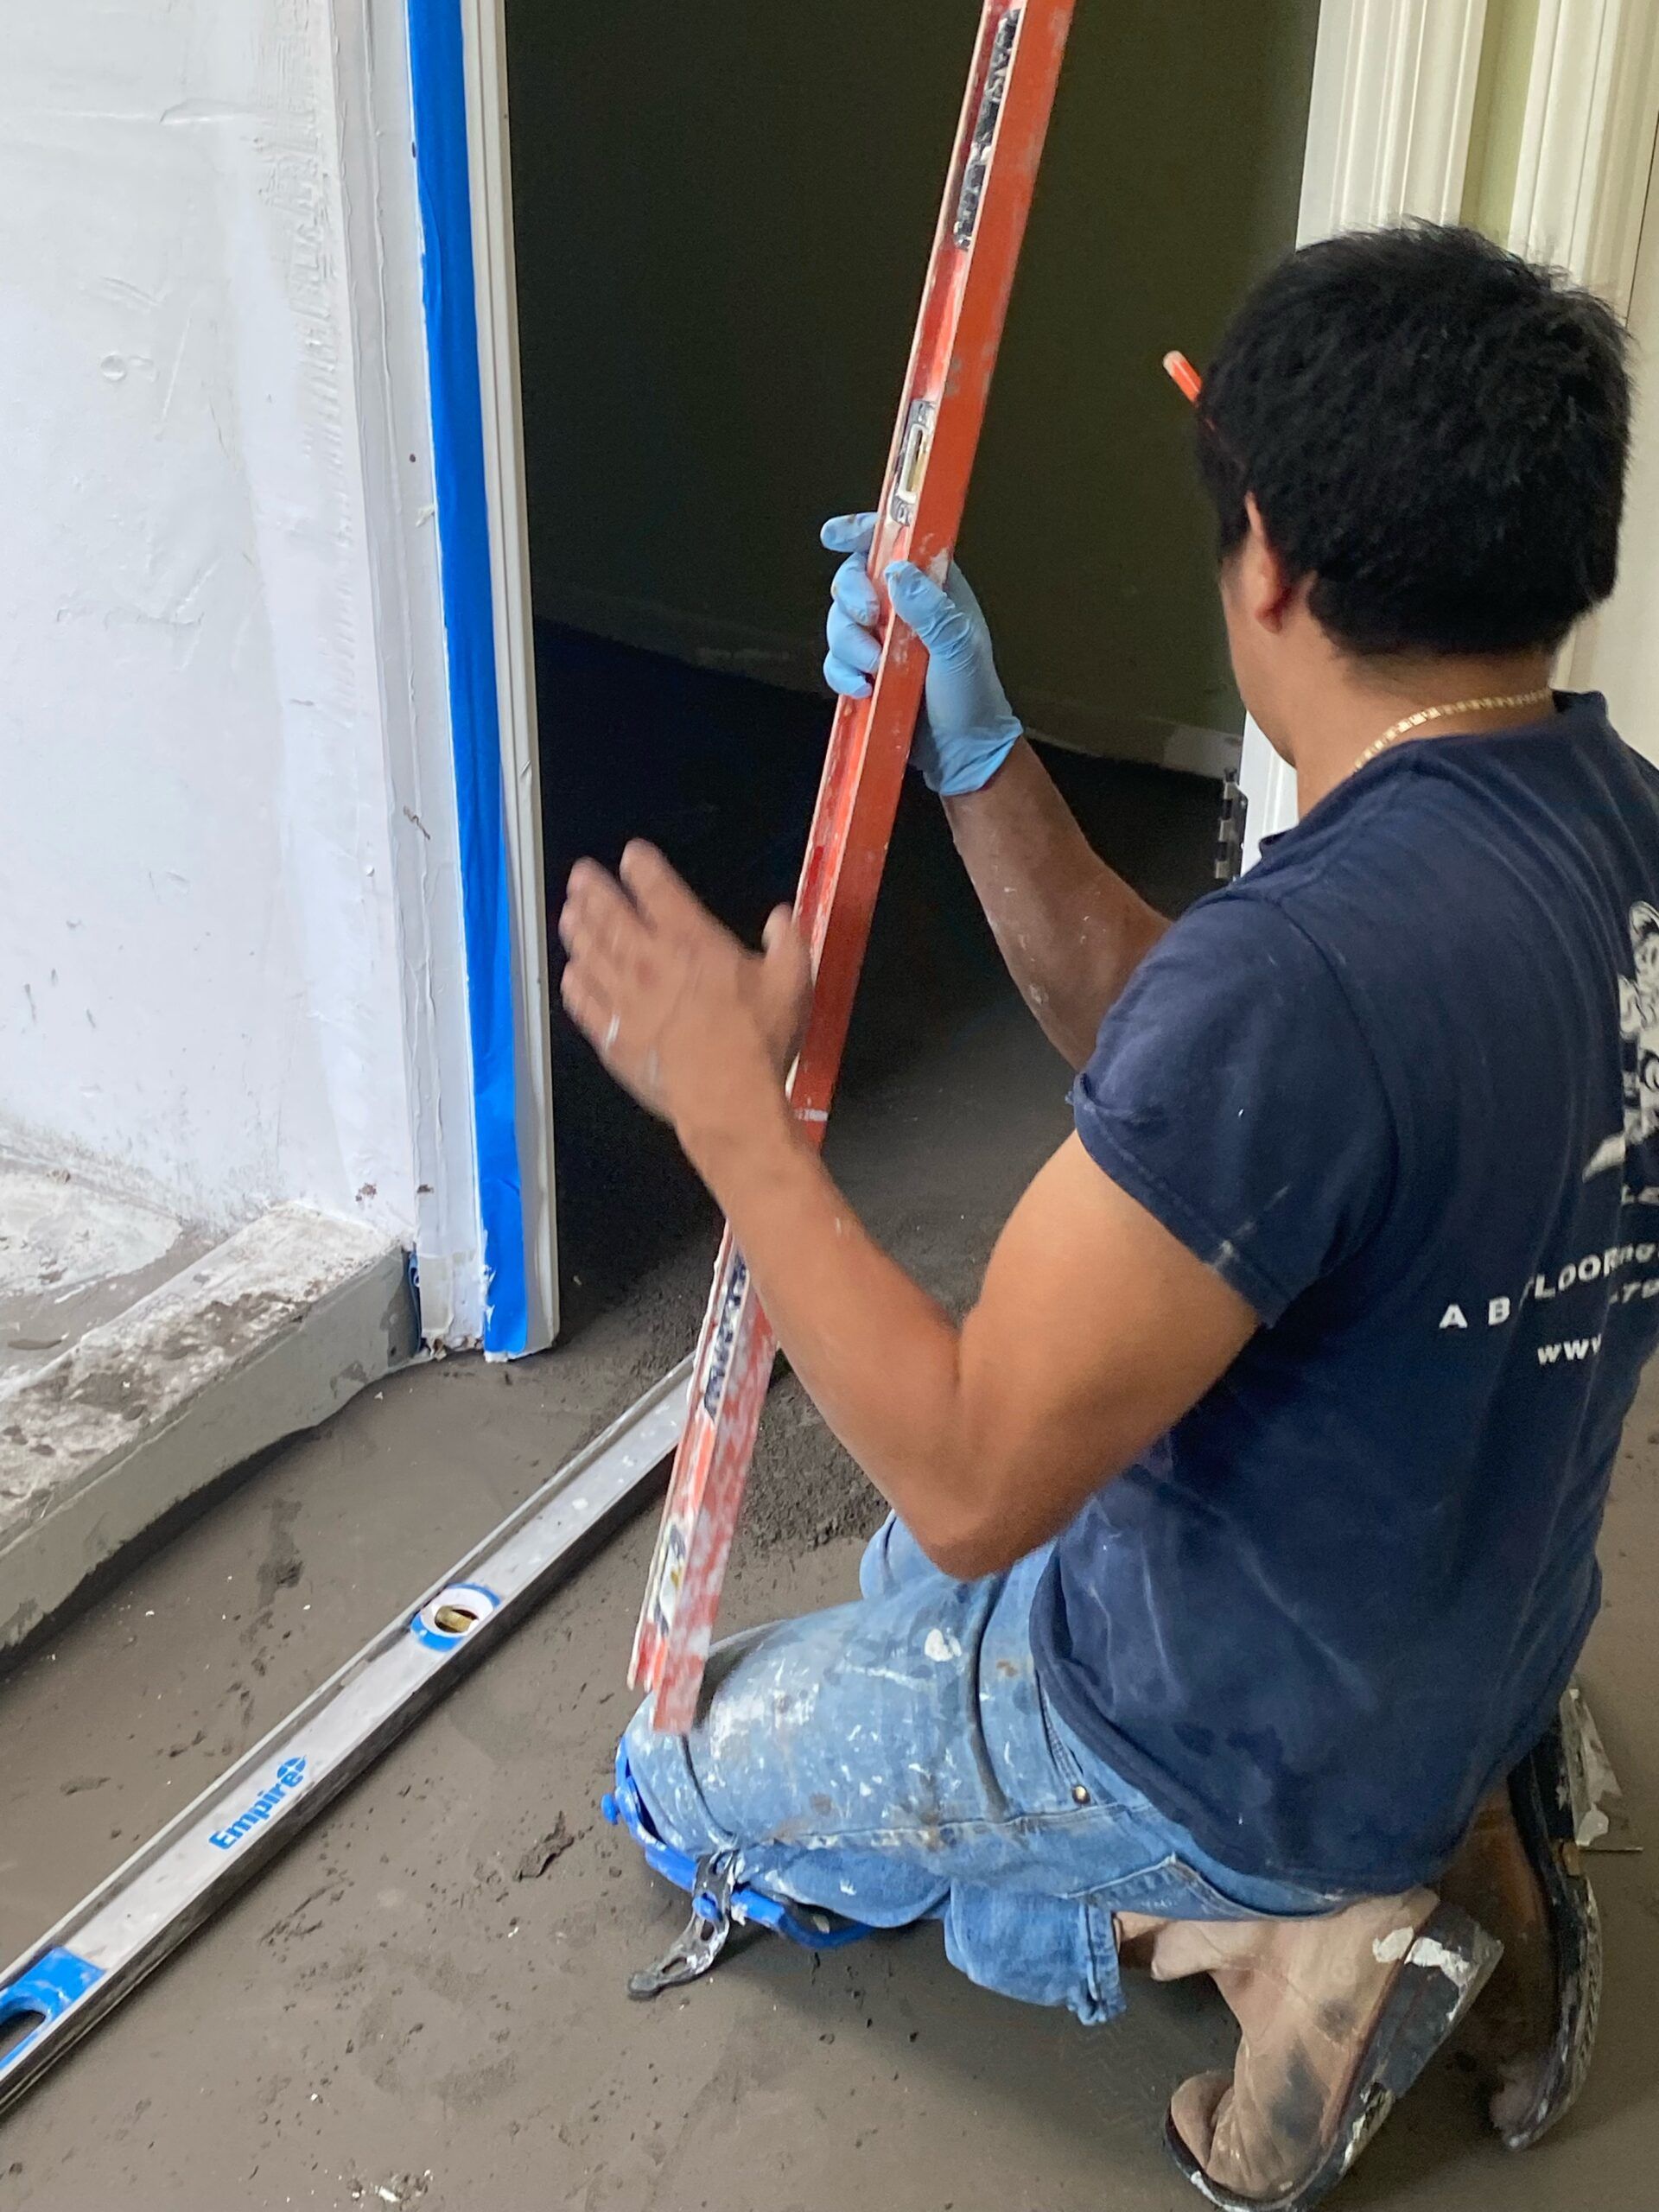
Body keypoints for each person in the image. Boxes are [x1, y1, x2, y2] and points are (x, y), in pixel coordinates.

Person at [556, 224, 1643, 2209]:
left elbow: (985, 1473)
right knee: (896, 1576)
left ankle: (1279, 1926)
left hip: (1231, 1718)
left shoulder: (1306, 976)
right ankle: (1447, 1800)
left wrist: (730, 1107)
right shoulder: (1610, 830)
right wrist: (982, 751)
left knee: (695, 1769)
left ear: (1275, 571)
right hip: (1466, 1601)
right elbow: (1221, 1073)